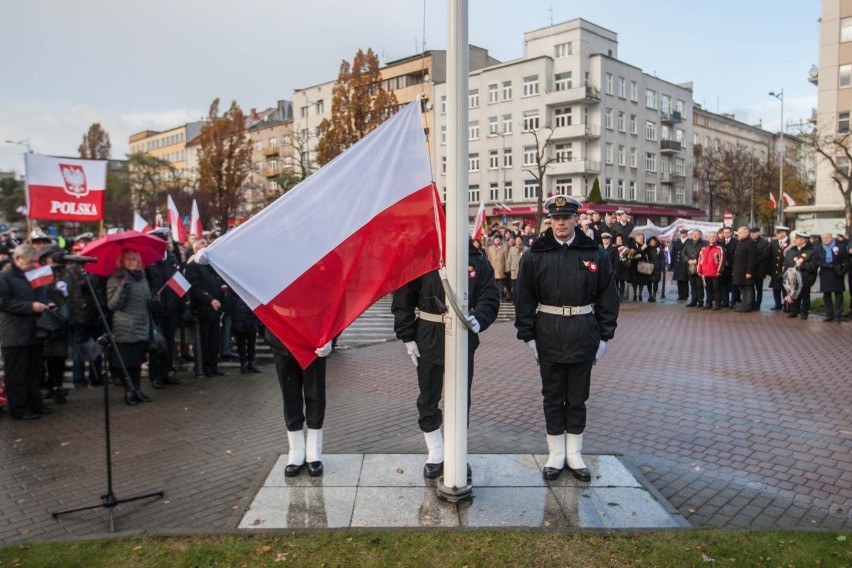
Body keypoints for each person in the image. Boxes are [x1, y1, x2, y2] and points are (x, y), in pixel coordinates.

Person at [514, 195, 619, 482]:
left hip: (583, 332)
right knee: (552, 395)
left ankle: (574, 453)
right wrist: (528, 336)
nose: (560, 223)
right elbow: (523, 297)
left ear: (576, 219)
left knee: (577, 396)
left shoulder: (594, 253)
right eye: (555, 218)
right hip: (548, 333)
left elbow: (608, 296)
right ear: (549, 220)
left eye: (566, 218)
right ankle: (556, 453)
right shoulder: (536, 255)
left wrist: (604, 336)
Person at [392, 240, 500, 479]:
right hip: (429, 334)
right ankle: (436, 452)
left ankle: (457, 452)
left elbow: (490, 296)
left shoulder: (476, 258)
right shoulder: (421, 258)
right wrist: (407, 336)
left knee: (461, 398)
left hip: (462, 335)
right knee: (429, 395)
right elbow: (403, 299)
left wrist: (479, 318)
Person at [265, 328, 332, 477]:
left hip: (313, 341)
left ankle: (314, 451)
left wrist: (330, 336)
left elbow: (332, 306)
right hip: (282, 340)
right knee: (290, 396)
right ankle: (296, 451)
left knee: (315, 395)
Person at [0, 244, 53, 420]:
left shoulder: (31, 274)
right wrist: (29, 306)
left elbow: (40, 293)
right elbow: (3, 302)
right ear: (17, 259)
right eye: (30, 261)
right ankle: (19, 409)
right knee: (17, 373)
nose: (33, 265)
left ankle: (36, 404)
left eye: (34, 261)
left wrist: (46, 303)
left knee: (34, 371)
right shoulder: (5, 277)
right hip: (14, 333)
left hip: (34, 331)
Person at [107, 249, 153, 405]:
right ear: (122, 261)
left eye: (134, 259)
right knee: (127, 362)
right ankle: (129, 391)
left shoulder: (143, 279)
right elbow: (113, 304)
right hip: (125, 326)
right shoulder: (116, 279)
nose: (131, 262)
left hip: (142, 324)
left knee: (138, 361)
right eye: (127, 259)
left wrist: (154, 301)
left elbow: (146, 300)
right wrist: (122, 288)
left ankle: (138, 389)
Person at [145, 228, 182, 389]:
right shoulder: (148, 259)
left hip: (171, 307)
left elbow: (177, 278)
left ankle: (166, 372)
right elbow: (146, 283)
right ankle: (155, 374)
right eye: (161, 239)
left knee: (169, 342)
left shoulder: (172, 257)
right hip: (157, 308)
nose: (165, 242)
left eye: (165, 239)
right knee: (156, 343)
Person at [185, 238, 226, 377]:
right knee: (203, 340)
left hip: (215, 310)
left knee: (215, 340)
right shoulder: (192, 267)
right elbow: (195, 288)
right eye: (202, 243)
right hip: (203, 310)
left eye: (207, 244)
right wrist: (209, 299)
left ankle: (213, 365)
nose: (206, 246)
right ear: (196, 250)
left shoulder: (211, 267)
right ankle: (203, 366)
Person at [813, 232, 849, 322]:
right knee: (826, 295)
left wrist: (842, 271)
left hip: (837, 274)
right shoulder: (819, 249)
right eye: (823, 238)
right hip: (825, 274)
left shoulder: (840, 247)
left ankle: (838, 315)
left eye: (827, 237)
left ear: (832, 238)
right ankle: (829, 314)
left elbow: (847, 261)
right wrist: (827, 265)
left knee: (839, 295)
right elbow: (816, 261)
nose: (825, 239)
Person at [783, 231, 816, 319]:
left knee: (805, 295)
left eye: (797, 238)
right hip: (792, 278)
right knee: (794, 294)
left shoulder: (811, 251)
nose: (795, 240)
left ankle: (804, 312)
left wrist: (801, 266)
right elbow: (786, 262)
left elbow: (813, 266)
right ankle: (794, 310)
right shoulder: (792, 250)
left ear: (803, 240)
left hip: (805, 278)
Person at [732, 226, 757, 313]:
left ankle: (748, 305)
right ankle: (744, 304)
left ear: (746, 233)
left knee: (748, 288)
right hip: (738, 271)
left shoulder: (751, 243)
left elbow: (751, 259)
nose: (739, 235)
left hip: (746, 271)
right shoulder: (739, 242)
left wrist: (749, 272)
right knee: (741, 288)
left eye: (740, 233)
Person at [697, 231, 724, 310]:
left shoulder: (719, 248)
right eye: (710, 236)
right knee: (707, 288)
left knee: (716, 288)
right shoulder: (704, 248)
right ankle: (708, 303)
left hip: (715, 273)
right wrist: (699, 269)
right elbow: (700, 260)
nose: (712, 238)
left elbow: (721, 260)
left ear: (716, 238)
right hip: (705, 273)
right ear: (708, 238)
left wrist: (719, 270)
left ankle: (717, 303)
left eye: (713, 236)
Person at [769, 226, 791, 311]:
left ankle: (787, 305)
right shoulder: (774, 242)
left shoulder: (790, 242)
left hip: (785, 269)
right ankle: (777, 304)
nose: (776, 234)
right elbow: (770, 256)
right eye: (776, 232)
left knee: (786, 289)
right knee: (776, 288)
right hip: (775, 269)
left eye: (779, 232)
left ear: (784, 233)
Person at [684, 230, 707, 307]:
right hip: (690, 266)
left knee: (699, 284)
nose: (695, 236)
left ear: (700, 235)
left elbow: (706, 254)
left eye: (697, 234)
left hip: (700, 267)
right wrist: (688, 260)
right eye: (693, 234)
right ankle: (693, 300)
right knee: (692, 284)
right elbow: (683, 253)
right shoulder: (688, 243)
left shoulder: (704, 243)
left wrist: (697, 260)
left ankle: (700, 301)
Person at [750, 227, 771, 311]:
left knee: (759, 288)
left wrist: (754, 261)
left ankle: (758, 304)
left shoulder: (764, 242)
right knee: (750, 288)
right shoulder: (749, 241)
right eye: (751, 233)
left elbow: (765, 254)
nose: (752, 234)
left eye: (754, 233)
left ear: (758, 233)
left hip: (759, 269)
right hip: (750, 269)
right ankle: (751, 302)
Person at [486, 235, 510, 302]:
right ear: (494, 241)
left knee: (501, 286)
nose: (497, 240)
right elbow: (489, 259)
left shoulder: (504, 248)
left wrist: (507, 269)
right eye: (496, 239)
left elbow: (506, 259)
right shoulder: (490, 249)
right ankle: (494, 298)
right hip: (493, 270)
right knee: (493, 286)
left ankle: (501, 298)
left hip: (501, 270)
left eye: (498, 239)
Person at [720, 226, 737, 308]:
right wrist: (723, 262)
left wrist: (729, 262)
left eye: (727, 232)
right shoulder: (721, 242)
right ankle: (725, 301)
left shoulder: (736, 242)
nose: (726, 234)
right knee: (724, 285)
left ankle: (733, 302)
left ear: (731, 233)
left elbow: (736, 254)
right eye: (724, 232)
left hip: (732, 266)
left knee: (733, 285)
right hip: (723, 267)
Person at [642, 236, 663, 303]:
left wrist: (662, 267)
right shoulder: (647, 249)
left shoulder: (659, 249)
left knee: (655, 281)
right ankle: (650, 295)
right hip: (648, 266)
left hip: (657, 267)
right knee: (649, 281)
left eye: (654, 241)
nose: (652, 243)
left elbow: (662, 258)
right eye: (651, 241)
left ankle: (654, 294)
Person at [670, 228, 690, 300]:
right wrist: (671, 264)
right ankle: (680, 295)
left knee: (685, 280)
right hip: (678, 263)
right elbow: (673, 253)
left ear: (686, 234)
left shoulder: (689, 242)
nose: (683, 234)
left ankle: (685, 295)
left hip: (686, 263)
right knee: (679, 280)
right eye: (682, 233)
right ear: (680, 234)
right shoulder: (676, 242)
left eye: (684, 233)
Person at [506, 236, 524, 301]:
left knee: (522, 287)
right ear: (515, 241)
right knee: (514, 287)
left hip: (523, 272)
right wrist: (508, 270)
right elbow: (509, 260)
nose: (518, 241)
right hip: (514, 271)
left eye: (520, 239)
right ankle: (514, 299)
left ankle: (521, 299)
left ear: (522, 240)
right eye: (517, 240)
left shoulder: (526, 249)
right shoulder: (512, 249)